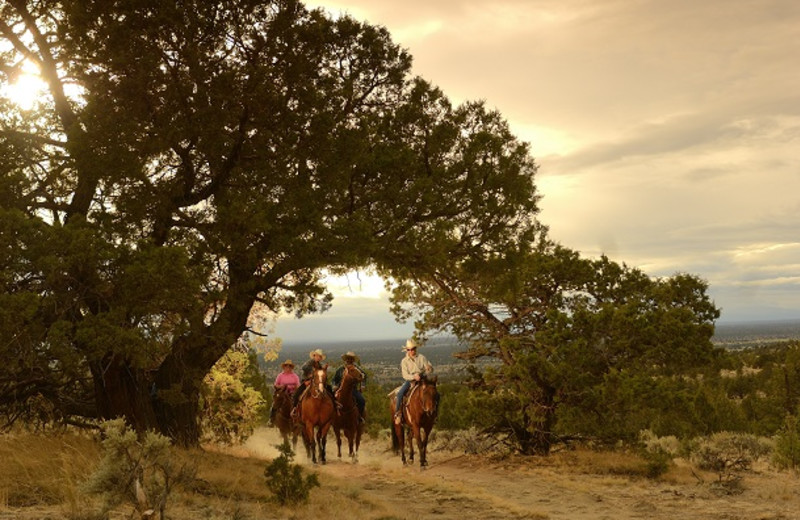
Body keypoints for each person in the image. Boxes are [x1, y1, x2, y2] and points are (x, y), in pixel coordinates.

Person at [393, 339, 433, 425]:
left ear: (415, 349)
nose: (411, 351)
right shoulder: (404, 361)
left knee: (434, 393)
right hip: (411, 381)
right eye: (409, 349)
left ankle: (434, 413)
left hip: (423, 379)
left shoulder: (422, 357)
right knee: (400, 394)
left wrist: (429, 369)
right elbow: (405, 375)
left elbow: (428, 369)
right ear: (406, 350)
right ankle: (398, 413)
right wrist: (413, 377)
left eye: (413, 349)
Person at [291, 348, 336, 417]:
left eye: (320, 357)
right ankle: (294, 408)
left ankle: (334, 404)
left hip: (316, 382)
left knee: (329, 388)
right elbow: (304, 367)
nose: (318, 358)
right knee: (297, 393)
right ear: (314, 356)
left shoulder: (319, 365)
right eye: (317, 356)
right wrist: (313, 371)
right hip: (307, 381)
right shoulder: (310, 362)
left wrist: (324, 369)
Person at [332, 351, 367, 422]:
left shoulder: (356, 369)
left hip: (352, 389)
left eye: (351, 359)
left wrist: (363, 385)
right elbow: (334, 379)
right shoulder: (340, 369)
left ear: (353, 360)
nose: (349, 360)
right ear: (346, 360)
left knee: (361, 401)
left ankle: (359, 416)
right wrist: (334, 385)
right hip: (340, 389)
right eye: (348, 359)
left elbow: (364, 375)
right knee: (330, 400)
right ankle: (331, 417)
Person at [269, 359, 300, 425]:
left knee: (299, 404)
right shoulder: (280, 375)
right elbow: (275, 384)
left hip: (292, 393)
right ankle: (271, 419)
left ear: (291, 368)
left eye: (289, 366)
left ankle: (300, 420)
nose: (288, 368)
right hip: (282, 393)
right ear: (284, 367)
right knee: (275, 404)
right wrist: (281, 387)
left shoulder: (295, 376)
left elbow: (298, 385)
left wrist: (294, 387)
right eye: (286, 366)